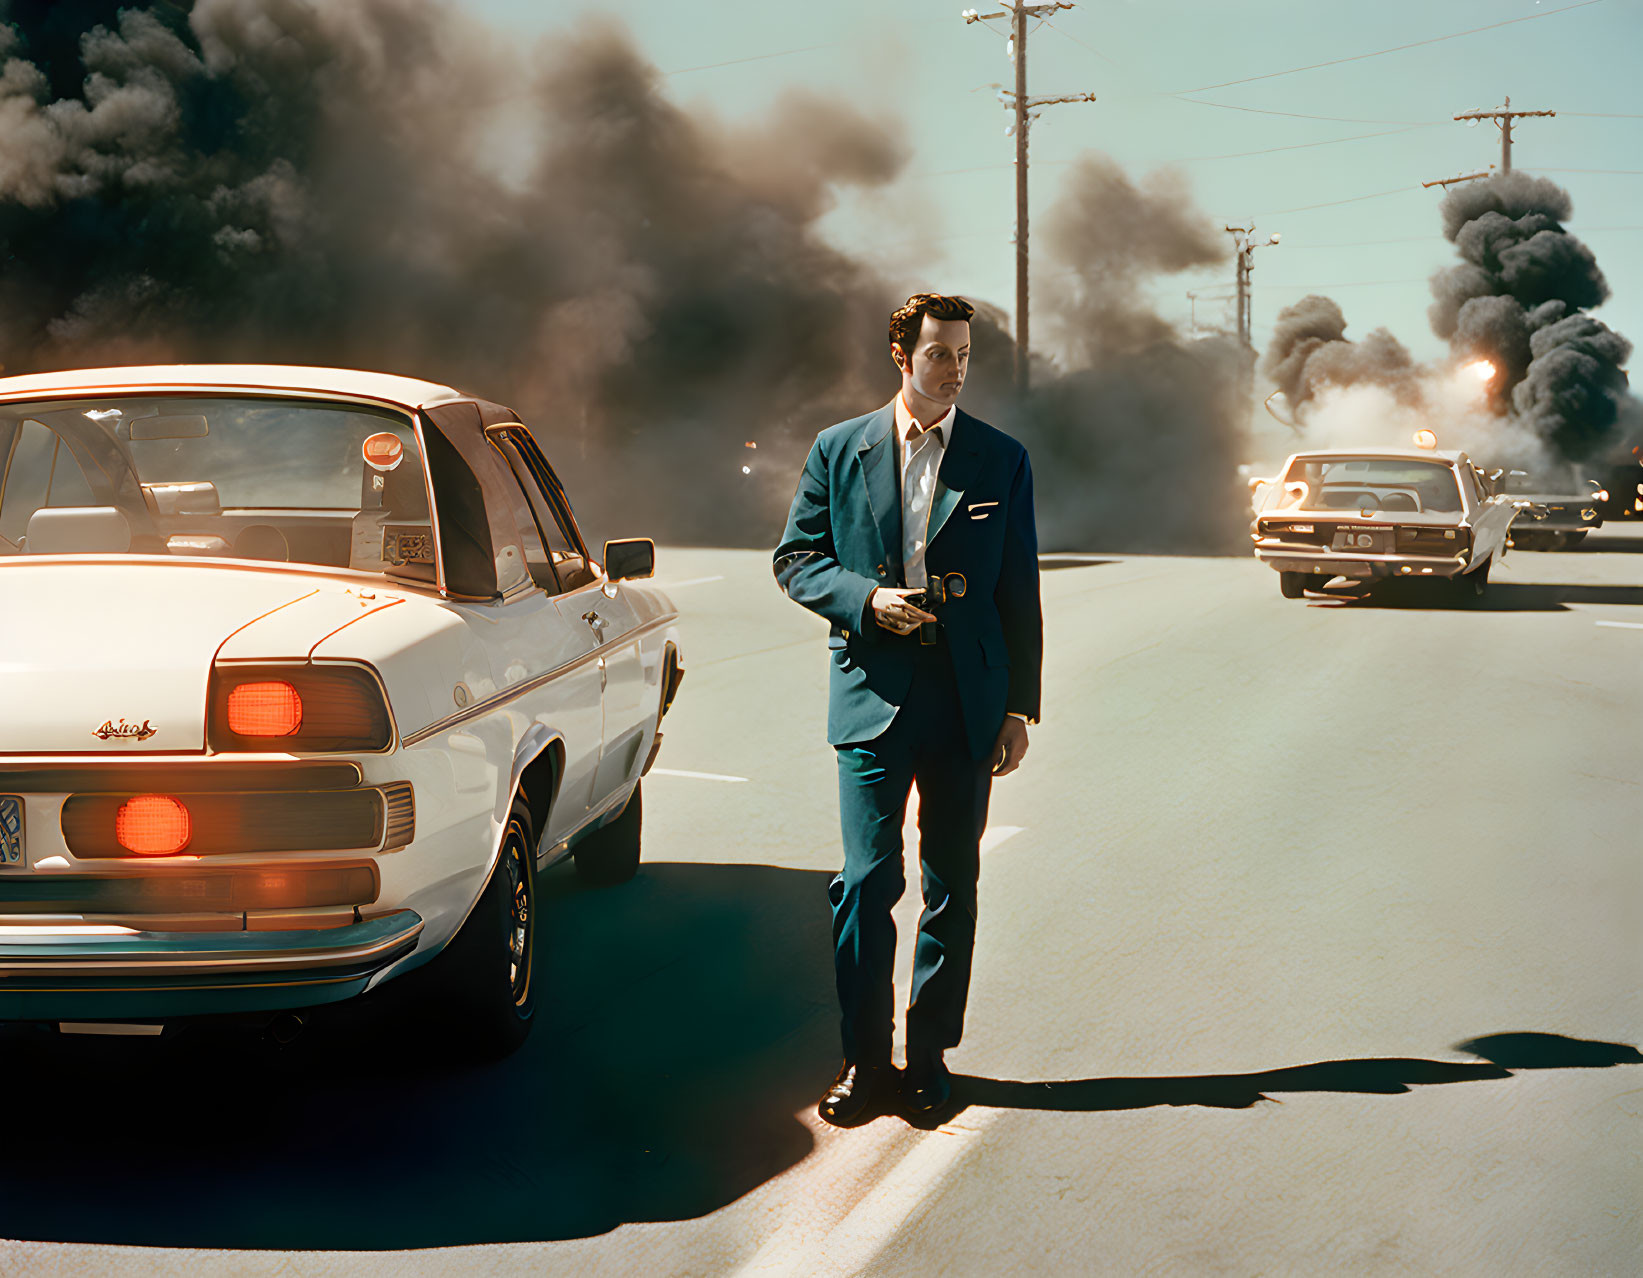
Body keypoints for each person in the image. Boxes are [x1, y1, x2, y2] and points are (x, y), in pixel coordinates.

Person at [773, 292, 1043, 1126]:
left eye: (964, 356)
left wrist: (1019, 710)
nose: (954, 370)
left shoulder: (1001, 458)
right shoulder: (838, 449)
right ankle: (864, 1061)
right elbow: (796, 559)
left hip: (968, 700)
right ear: (902, 356)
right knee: (863, 884)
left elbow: (1016, 591)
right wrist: (864, 600)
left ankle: (928, 1059)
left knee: (950, 885)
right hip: (871, 696)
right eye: (938, 355)